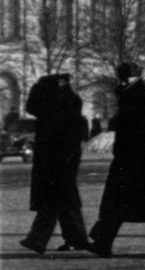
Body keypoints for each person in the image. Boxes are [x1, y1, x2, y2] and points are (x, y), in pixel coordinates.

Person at [88, 61, 145, 257]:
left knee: (117, 205)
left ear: (124, 77)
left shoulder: (128, 96)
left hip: (129, 160)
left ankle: (103, 242)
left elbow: (125, 126)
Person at [18, 74, 93, 254]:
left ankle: (38, 238)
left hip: (53, 157)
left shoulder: (50, 103)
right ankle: (76, 238)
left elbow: (32, 107)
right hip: (67, 157)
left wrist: (40, 87)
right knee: (66, 199)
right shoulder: (70, 100)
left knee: (55, 198)